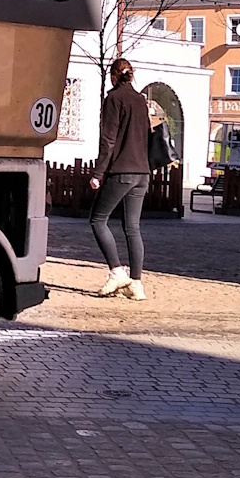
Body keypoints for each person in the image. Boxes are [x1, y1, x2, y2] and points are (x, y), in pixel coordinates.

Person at [88, 59, 151, 300]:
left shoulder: (114, 99)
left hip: (121, 171)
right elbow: (146, 134)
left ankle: (116, 272)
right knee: (133, 228)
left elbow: (109, 139)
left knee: (97, 220)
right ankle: (136, 282)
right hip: (142, 173)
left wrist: (98, 173)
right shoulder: (140, 100)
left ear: (113, 76)